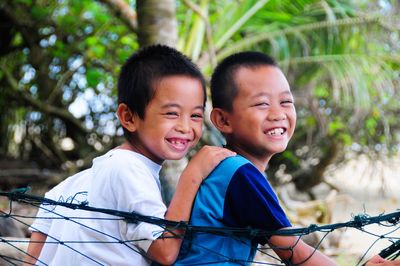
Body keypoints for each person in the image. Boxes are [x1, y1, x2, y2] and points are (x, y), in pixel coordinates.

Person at [175, 51, 400, 265]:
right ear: (223, 120)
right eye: (262, 103)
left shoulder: (225, 169)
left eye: (286, 102)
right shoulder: (239, 174)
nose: (278, 114)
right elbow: (294, 252)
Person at [24, 44, 235, 266]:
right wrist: (193, 174)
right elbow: (165, 251)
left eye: (195, 115)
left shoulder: (72, 182)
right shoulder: (130, 170)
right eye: (172, 113)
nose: (185, 126)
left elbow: (32, 257)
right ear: (129, 117)